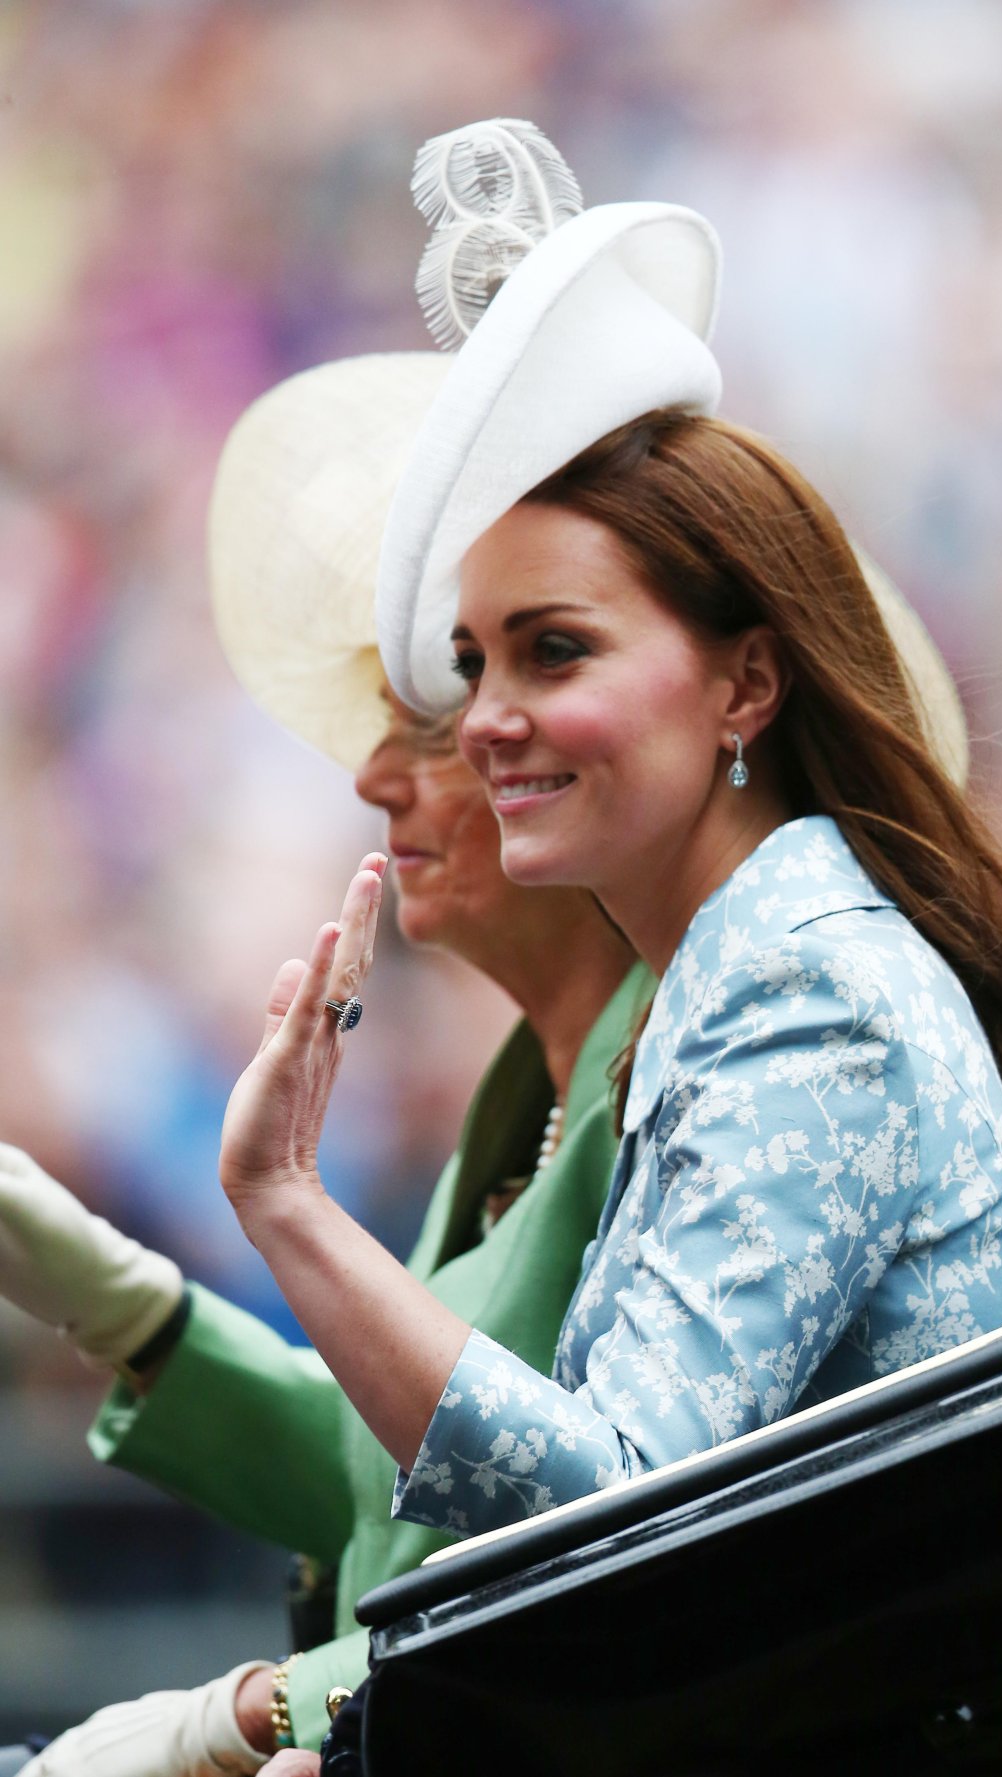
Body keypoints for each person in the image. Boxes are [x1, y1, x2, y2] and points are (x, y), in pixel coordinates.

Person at [211, 117, 1002, 1574]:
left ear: (746, 681)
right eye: (477, 665)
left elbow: (618, 1509)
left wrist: (287, 1204)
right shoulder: (735, 971)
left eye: (556, 652)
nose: (487, 722)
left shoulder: (810, 993)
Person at [0, 346, 645, 1772]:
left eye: (430, 720)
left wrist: (232, 1720)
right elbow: (393, 1480)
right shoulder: (528, 1093)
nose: (375, 772)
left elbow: (601, 1553)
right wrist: (112, 1300)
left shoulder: (658, 1073)